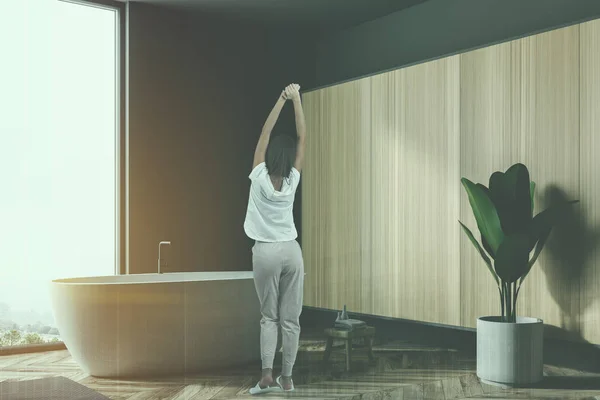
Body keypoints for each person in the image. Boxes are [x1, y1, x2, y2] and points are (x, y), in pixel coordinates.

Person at [244, 83, 306, 394]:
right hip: (292, 253)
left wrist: (281, 99)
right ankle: (289, 378)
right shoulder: (293, 179)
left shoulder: (258, 176)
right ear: (291, 155)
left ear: (269, 154)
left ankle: (267, 376)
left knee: (269, 317)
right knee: (290, 319)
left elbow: (264, 134)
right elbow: (302, 136)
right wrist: (297, 100)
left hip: (265, 252)